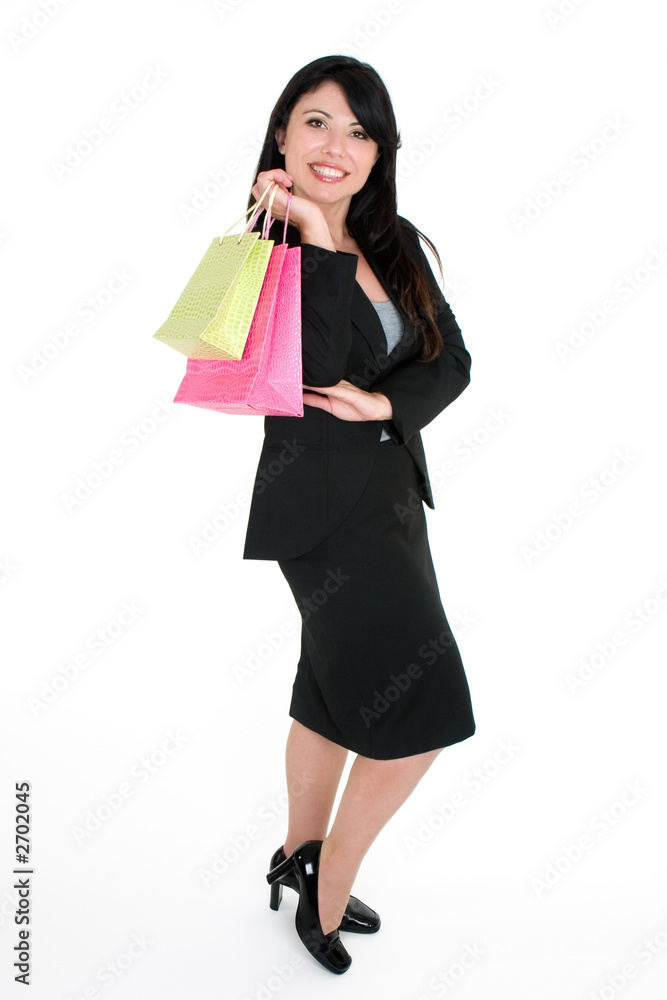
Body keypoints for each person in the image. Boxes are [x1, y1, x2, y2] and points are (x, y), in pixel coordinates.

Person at [241, 55, 476, 975]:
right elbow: (311, 371)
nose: (336, 147)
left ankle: (298, 857)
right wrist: (313, 234)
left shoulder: (397, 238)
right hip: (320, 514)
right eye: (315, 123)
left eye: (359, 131)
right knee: (422, 710)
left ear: (380, 151)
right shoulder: (268, 250)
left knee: (330, 691)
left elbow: (451, 357)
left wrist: (387, 405)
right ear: (281, 136)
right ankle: (325, 892)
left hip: (390, 504)